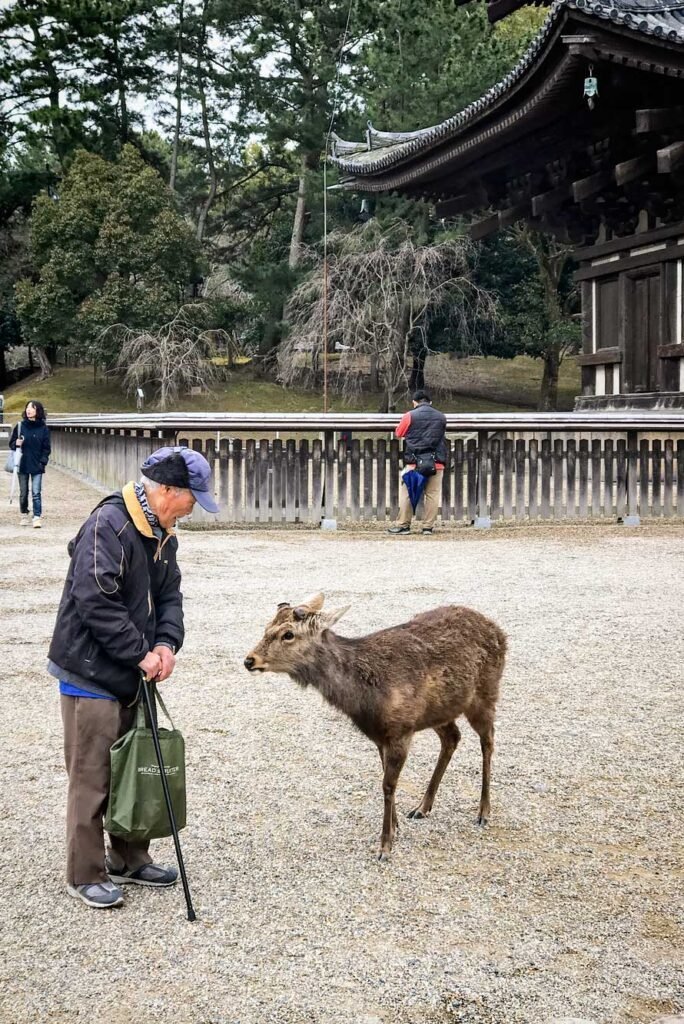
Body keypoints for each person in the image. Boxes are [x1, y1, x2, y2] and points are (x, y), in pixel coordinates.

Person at [47, 446, 219, 909]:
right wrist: (139, 654)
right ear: (167, 491)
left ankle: (129, 858)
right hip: (90, 671)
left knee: (132, 767)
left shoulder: (163, 533)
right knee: (92, 776)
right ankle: (85, 873)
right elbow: (95, 601)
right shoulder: (108, 524)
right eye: (191, 498)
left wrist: (166, 644)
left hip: (133, 669)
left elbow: (170, 596)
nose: (192, 509)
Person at [387, 389, 447, 535]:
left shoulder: (409, 416)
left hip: (414, 462)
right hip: (436, 462)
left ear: (414, 402)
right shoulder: (441, 417)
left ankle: (403, 525)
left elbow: (399, 433)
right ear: (430, 402)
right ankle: (427, 527)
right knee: (432, 494)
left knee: (408, 492)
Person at [10, 400, 51, 528]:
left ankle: (37, 517)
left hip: (37, 465)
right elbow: (11, 444)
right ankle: (24, 514)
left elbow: (46, 448)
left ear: (38, 411)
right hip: (22, 464)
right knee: (23, 492)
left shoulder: (43, 428)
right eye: (27, 407)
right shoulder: (20, 426)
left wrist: (42, 462)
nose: (29, 410)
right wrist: (16, 443)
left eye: (32, 408)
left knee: (36, 492)